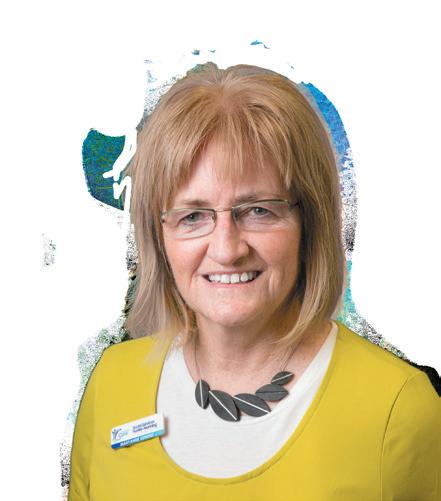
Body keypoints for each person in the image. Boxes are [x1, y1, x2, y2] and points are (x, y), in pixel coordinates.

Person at [68, 62, 441, 501]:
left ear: (309, 222)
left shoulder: (400, 410)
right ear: (159, 235)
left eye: (258, 210)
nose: (227, 249)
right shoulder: (111, 383)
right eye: (193, 216)